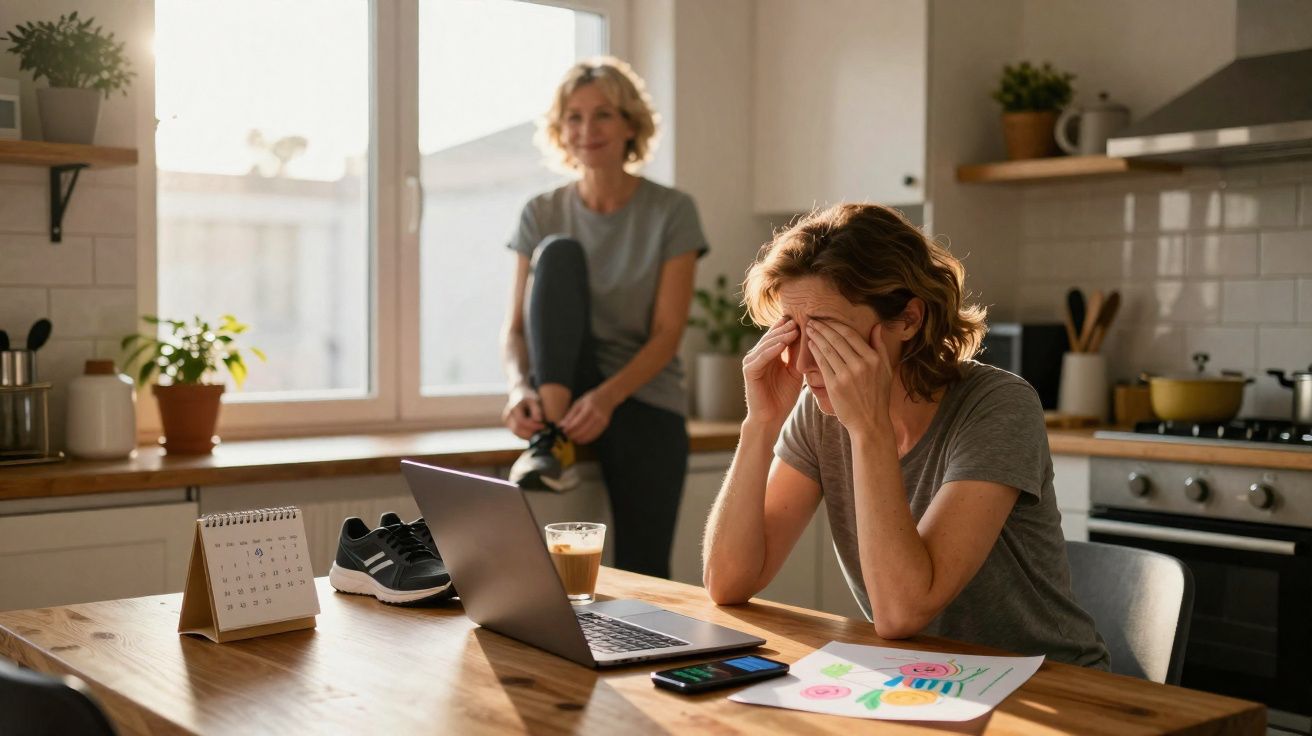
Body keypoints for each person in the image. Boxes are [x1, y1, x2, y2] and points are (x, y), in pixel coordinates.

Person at [702, 203, 1109, 667]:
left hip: (1050, 683)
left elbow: (900, 613)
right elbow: (728, 582)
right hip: (923, 678)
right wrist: (760, 424)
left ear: (908, 320)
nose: (801, 364)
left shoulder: (998, 405)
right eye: (793, 333)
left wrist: (869, 428)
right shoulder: (818, 412)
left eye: (828, 332)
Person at [500, 57, 709, 579]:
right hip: (561, 387)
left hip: (639, 393)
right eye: (573, 117)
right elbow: (515, 330)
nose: (586, 130)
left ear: (630, 125)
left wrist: (607, 397)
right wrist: (516, 389)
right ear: (560, 129)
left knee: (645, 569)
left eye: (603, 116)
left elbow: (667, 334)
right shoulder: (541, 211)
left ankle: (644, 656)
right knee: (559, 252)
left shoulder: (671, 210)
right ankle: (549, 438)